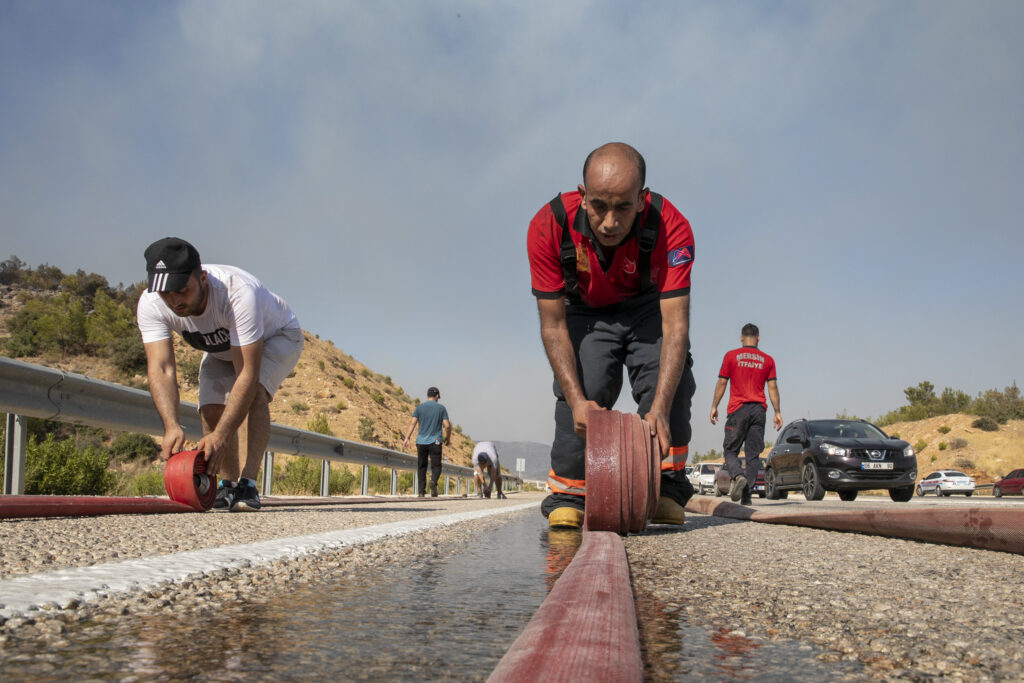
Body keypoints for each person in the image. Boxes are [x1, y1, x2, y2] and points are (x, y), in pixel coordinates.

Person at [526, 142, 697, 529]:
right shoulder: (548, 226)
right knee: (584, 385)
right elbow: (552, 325)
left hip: (646, 308)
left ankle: (667, 485)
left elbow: (675, 327)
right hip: (585, 309)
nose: (609, 222)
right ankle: (569, 492)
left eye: (623, 207)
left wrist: (659, 409)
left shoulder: (673, 228)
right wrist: (577, 401)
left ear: (642, 200)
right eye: (599, 205)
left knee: (669, 381)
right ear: (582, 196)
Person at [136, 237, 303, 512]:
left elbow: (247, 373)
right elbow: (161, 367)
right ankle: (226, 484)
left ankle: (247, 483)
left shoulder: (237, 293)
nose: (175, 301)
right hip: (222, 347)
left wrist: (223, 434)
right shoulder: (152, 303)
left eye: (182, 290)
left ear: (202, 278)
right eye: (166, 294)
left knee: (256, 393)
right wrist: (171, 425)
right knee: (211, 407)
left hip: (278, 336)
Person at [710, 323, 782, 505]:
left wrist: (714, 406)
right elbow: (772, 387)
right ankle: (746, 497)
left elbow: (721, 383)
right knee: (752, 455)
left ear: (741, 338)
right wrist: (777, 412)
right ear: (758, 338)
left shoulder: (731, 356)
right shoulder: (768, 360)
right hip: (759, 410)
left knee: (730, 450)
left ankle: (737, 476)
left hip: (738, 409)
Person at [403, 387, 451, 497]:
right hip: (436, 441)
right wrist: (448, 439)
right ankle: (433, 481)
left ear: (427, 395)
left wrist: (407, 438)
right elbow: (447, 426)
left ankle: (421, 491)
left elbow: (412, 423)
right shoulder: (441, 408)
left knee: (421, 466)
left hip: (421, 441)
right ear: (437, 396)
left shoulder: (419, 408)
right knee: (436, 466)